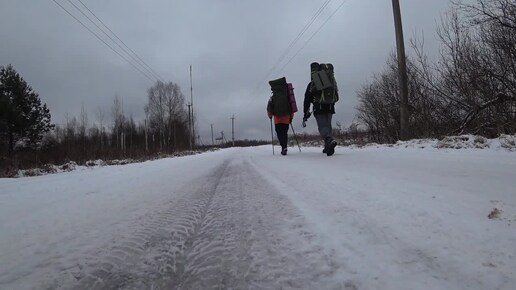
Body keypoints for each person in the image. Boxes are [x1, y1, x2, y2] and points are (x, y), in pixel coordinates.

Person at [303, 62, 338, 156]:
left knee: (322, 127)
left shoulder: (312, 83)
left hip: (319, 107)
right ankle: (328, 147)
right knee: (328, 126)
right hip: (330, 106)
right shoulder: (332, 81)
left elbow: (307, 98)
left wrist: (305, 112)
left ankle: (329, 140)